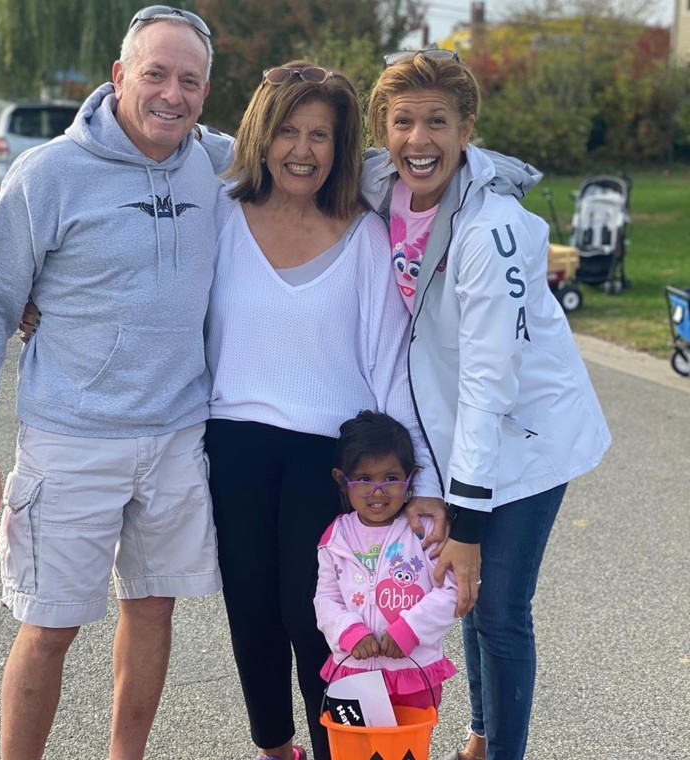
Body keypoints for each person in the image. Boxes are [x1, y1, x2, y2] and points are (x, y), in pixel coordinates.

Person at [0, 7, 222, 759]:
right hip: (72, 439)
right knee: (50, 625)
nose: (172, 94)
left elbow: (323, 157)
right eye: (155, 74)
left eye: (189, 80)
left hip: (177, 438)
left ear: (206, 90)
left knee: (153, 611)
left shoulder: (220, 163)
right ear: (120, 76)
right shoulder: (48, 175)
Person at [361, 49, 612, 760]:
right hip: (464, 437)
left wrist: (463, 520)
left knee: (498, 607)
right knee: (465, 598)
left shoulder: (490, 227)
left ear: (466, 128)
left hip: (527, 438)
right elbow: (286, 152)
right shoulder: (386, 186)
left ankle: (502, 751)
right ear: (383, 130)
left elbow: (487, 383)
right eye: (402, 122)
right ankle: (479, 734)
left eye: (437, 122)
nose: (418, 140)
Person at [203, 62, 442, 760]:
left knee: (319, 624)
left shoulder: (368, 237)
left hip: (328, 460)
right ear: (260, 136)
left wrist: (419, 484)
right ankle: (276, 749)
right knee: (251, 611)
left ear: (342, 149)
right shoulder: (219, 214)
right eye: (287, 131)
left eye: (321, 135)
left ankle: (345, 749)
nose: (302, 150)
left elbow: (392, 370)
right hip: (235, 446)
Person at [314, 411, 458, 711]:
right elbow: (325, 599)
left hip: (414, 671)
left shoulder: (424, 532)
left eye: (391, 479)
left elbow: (451, 591)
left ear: (411, 478)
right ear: (342, 480)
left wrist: (411, 628)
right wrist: (348, 631)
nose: (378, 492)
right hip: (353, 670)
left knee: (407, 751)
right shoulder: (335, 537)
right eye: (364, 479)